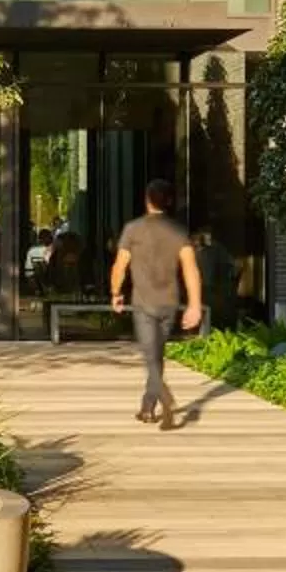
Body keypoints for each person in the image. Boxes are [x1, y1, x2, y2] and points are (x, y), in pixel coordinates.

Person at [107, 180, 203, 428]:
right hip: (169, 303)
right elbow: (191, 270)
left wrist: (116, 292)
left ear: (147, 199)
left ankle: (164, 396)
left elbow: (120, 266)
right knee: (156, 355)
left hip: (143, 303)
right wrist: (194, 304)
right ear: (169, 201)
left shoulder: (133, 229)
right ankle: (148, 408)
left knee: (151, 356)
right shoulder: (178, 232)